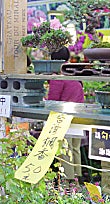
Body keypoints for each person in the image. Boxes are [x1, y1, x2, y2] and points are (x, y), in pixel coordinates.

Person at [47, 47, 84, 182]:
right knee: (75, 148)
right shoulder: (74, 72)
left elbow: (52, 100)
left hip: (64, 117)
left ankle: (67, 182)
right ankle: (77, 180)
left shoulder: (58, 75)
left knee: (65, 150)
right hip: (79, 116)